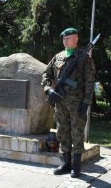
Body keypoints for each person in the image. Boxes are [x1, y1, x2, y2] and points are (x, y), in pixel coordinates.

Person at [41, 28, 95, 178]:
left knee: (77, 133)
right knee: (62, 131)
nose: (65, 41)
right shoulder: (58, 57)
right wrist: (48, 90)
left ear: (76, 39)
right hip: (60, 101)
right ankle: (66, 163)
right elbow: (46, 74)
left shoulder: (84, 57)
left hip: (77, 103)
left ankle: (76, 166)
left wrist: (86, 102)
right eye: (64, 39)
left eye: (69, 38)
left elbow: (90, 81)